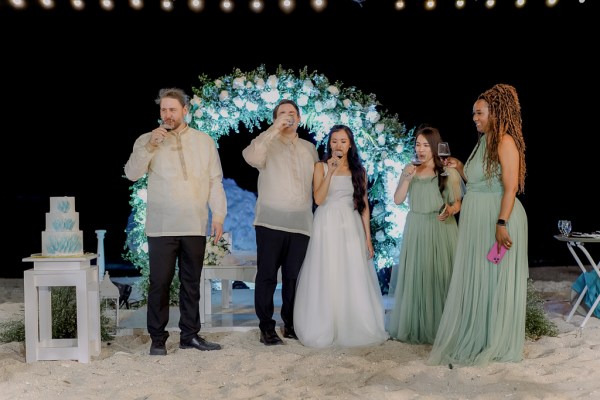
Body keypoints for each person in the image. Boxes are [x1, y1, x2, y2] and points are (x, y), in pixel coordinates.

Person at [427, 83, 528, 366]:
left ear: (495, 112)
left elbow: (509, 188)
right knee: (481, 277)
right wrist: (460, 167)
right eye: (474, 114)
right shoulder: (484, 142)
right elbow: (480, 183)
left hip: (499, 218)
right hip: (477, 221)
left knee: (494, 279)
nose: (474, 118)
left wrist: (502, 223)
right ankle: (481, 336)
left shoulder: (506, 141)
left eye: (479, 113)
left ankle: (496, 339)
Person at [124, 87, 227, 355]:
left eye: (172, 109)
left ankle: (190, 335)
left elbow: (215, 180)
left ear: (185, 111)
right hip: (161, 226)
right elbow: (132, 173)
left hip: (194, 223)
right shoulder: (147, 140)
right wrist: (150, 146)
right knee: (160, 283)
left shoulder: (204, 141)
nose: (167, 115)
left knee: (191, 283)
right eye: (163, 110)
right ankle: (157, 340)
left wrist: (218, 215)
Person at [293, 124, 389, 348]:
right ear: (329, 143)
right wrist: (332, 171)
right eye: (334, 140)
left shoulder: (359, 171)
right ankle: (325, 324)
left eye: (343, 141)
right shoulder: (320, 167)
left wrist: (367, 237)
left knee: (352, 271)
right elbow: (318, 199)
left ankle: (353, 323)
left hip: (351, 224)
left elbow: (363, 205)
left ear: (350, 144)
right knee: (328, 271)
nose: (338, 145)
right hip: (327, 224)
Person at [242, 99, 319, 345]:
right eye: (282, 113)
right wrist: (273, 130)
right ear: (275, 118)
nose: (288, 116)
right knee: (266, 276)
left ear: (300, 118)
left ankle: (292, 324)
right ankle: (266, 328)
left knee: (294, 277)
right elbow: (250, 156)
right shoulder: (266, 143)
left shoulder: (309, 148)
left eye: (292, 113)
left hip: (301, 223)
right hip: (270, 221)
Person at [387, 125, 464, 345]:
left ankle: (443, 326)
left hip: (440, 228)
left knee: (439, 275)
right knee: (417, 276)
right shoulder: (409, 168)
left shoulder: (447, 172)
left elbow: (457, 202)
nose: (421, 150)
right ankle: (418, 326)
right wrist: (407, 178)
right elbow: (398, 200)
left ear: (435, 147)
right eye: (417, 145)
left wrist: (450, 210)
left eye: (425, 145)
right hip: (416, 226)